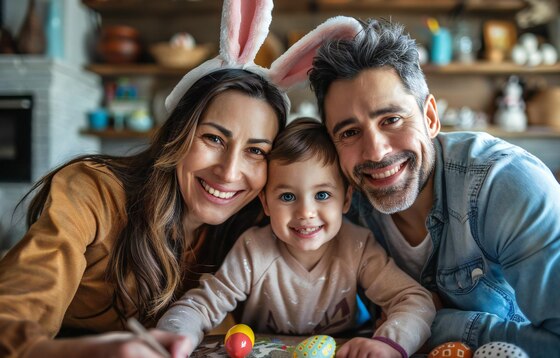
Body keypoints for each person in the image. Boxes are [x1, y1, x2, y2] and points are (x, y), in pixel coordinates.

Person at [0, 0, 360, 356]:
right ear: (178, 133)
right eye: (214, 139)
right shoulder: (93, 191)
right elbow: (11, 319)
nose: (230, 172)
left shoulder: (258, 227)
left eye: (256, 151)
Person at [308, 18, 560, 357]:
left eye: (391, 120)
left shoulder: (506, 183)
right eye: (349, 132)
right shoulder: (338, 200)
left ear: (430, 117)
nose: (375, 152)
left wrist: (441, 324)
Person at [157, 117, 436, 358]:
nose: (306, 212)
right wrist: (175, 337)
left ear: (346, 200)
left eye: (322, 195)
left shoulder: (358, 246)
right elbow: (200, 306)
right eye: (287, 196)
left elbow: (414, 300)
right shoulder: (254, 249)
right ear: (266, 204)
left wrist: (389, 344)